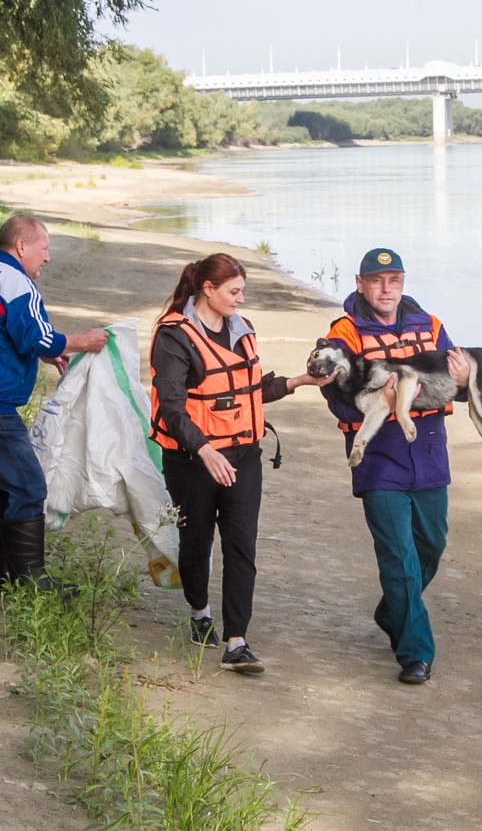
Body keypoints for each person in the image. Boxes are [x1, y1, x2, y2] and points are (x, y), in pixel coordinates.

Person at [149, 253, 330, 674]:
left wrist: (298, 382)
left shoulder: (243, 330)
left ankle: (236, 642)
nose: (241, 299)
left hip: (244, 456)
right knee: (196, 544)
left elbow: (248, 391)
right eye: (234, 291)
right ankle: (199, 613)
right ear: (207, 290)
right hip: (192, 459)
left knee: (241, 545)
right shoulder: (173, 337)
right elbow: (173, 409)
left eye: (242, 291)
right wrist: (204, 450)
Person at [0, 215, 110, 597]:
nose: (47, 258)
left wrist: (42, 354)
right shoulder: (18, 284)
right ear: (22, 246)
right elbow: (42, 338)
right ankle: (33, 583)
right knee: (29, 486)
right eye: (44, 248)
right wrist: (83, 341)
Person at [321, 248, 469, 684]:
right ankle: (415, 654)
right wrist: (378, 402)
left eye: (395, 280)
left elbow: (451, 384)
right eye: (377, 280)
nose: (387, 289)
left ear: (403, 283)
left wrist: (463, 381)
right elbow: (334, 395)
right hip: (379, 458)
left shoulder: (431, 325)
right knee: (399, 559)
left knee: (431, 547)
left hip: (428, 451)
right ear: (360, 282)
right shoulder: (344, 333)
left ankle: (392, 611)